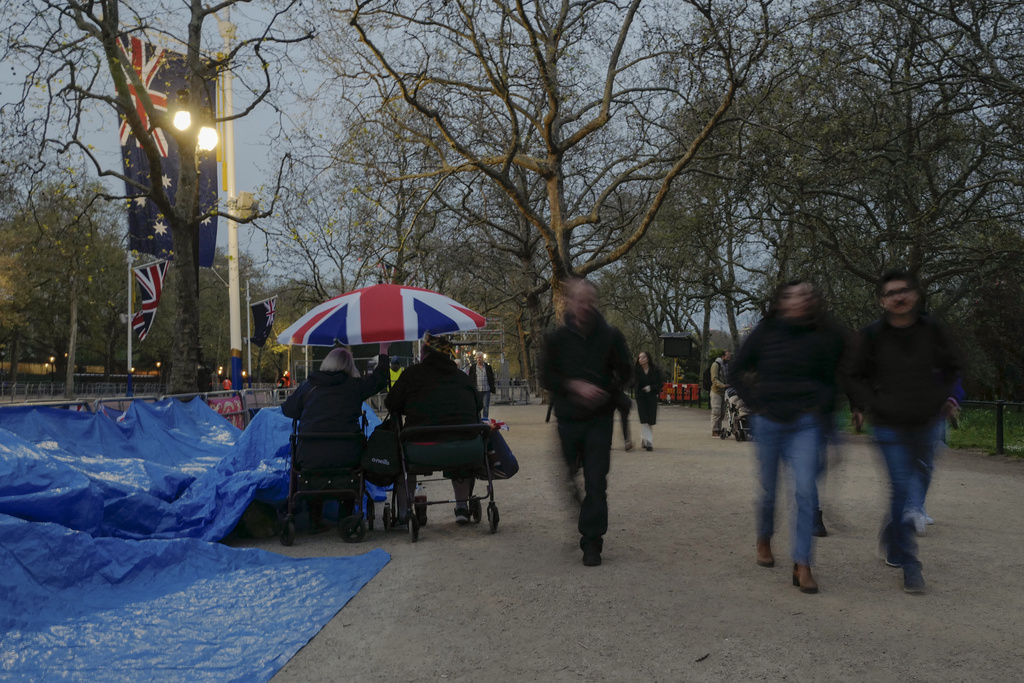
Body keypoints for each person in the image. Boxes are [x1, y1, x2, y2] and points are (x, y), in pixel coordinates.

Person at [845, 270, 962, 593]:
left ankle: (892, 536)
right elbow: (853, 375)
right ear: (883, 300)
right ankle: (910, 562)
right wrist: (869, 404)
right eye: (892, 293)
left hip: (926, 421)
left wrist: (947, 398)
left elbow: (955, 365)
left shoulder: (933, 330)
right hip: (888, 424)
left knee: (919, 477)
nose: (899, 297)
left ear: (915, 295)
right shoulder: (870, 335)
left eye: (905, 291)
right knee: (901, 488)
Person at [731, 280, 846, 594]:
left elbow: (837, 375)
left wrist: (825, 407)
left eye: (806, 295)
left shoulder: (824, 335)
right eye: (793, 295)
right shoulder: (766, 332)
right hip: (768, 421)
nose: (800, 300)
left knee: (806, 491)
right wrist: (753, 404)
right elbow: (736, 370)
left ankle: (803, 563)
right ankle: (764, 537)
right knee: (769, 491)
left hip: (805, 423)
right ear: (781, 301)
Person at [542, 278, 632, 567]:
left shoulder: (610, 336)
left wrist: (608, 390)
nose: (585, 306)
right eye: (579, 300)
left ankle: (592, 542)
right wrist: (573, 385)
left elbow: (626, 371)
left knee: (597, 482)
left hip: (599, 420)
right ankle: (576, 495)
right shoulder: (557, 339)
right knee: (570, 473)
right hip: (568, 419)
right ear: (569, 302)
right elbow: (546, 376)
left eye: (589, 301)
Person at [281, 345, 390, 533]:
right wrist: (383, 352)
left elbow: (287, 409)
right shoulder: (353, 386)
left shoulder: (308, 386)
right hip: (347, 454)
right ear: (349, 365)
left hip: (309, 455)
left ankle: (314, 521)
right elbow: (379, 380)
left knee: (314, 473)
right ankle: (345, 518)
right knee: (348, 472)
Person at [386, 332, 484, 525]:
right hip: (465, 448)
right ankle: (462, 507)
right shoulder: (462, 378)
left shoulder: (411, 375)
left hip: (420, 449)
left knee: (403, 461)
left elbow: (391, 404)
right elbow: (478, 405)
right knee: (460, 459)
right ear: (448, 355)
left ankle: (405, 511)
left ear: (425, 353)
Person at [633, 351, 663, 451]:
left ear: (648, 358)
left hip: (651, 397)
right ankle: (649, 442)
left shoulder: (655, 370)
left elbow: (660, 383)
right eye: (639, 357)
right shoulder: (636, 370)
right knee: (644, 419)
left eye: (643, 357)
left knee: (650, 420)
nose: (641, 359)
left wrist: (651, 388)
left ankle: (644, 438)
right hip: (641, 397)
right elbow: (632, 382)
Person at [467, 352, 497, 419]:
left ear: (483, 358)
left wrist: (492, 388)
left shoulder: (487, 367)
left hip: (486, 389)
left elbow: (491, 378)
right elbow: (471, 378)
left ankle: (485, 419)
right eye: (477, 358)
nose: (479, 359)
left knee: (485, 406)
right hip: (477, 390)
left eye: (480, 358)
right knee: (478, 406)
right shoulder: (473, 367)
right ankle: (478, 419)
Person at [710, 350, 731, 437]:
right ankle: (715, 430)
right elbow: (714, 379)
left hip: (724, 392)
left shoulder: (726, 366)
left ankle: (718, 429)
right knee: (716, 411)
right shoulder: (716, 365)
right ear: (723, 356)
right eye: (727, 357)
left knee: (722, 413)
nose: (729, 359)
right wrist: (723, 385)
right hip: (716, 392)